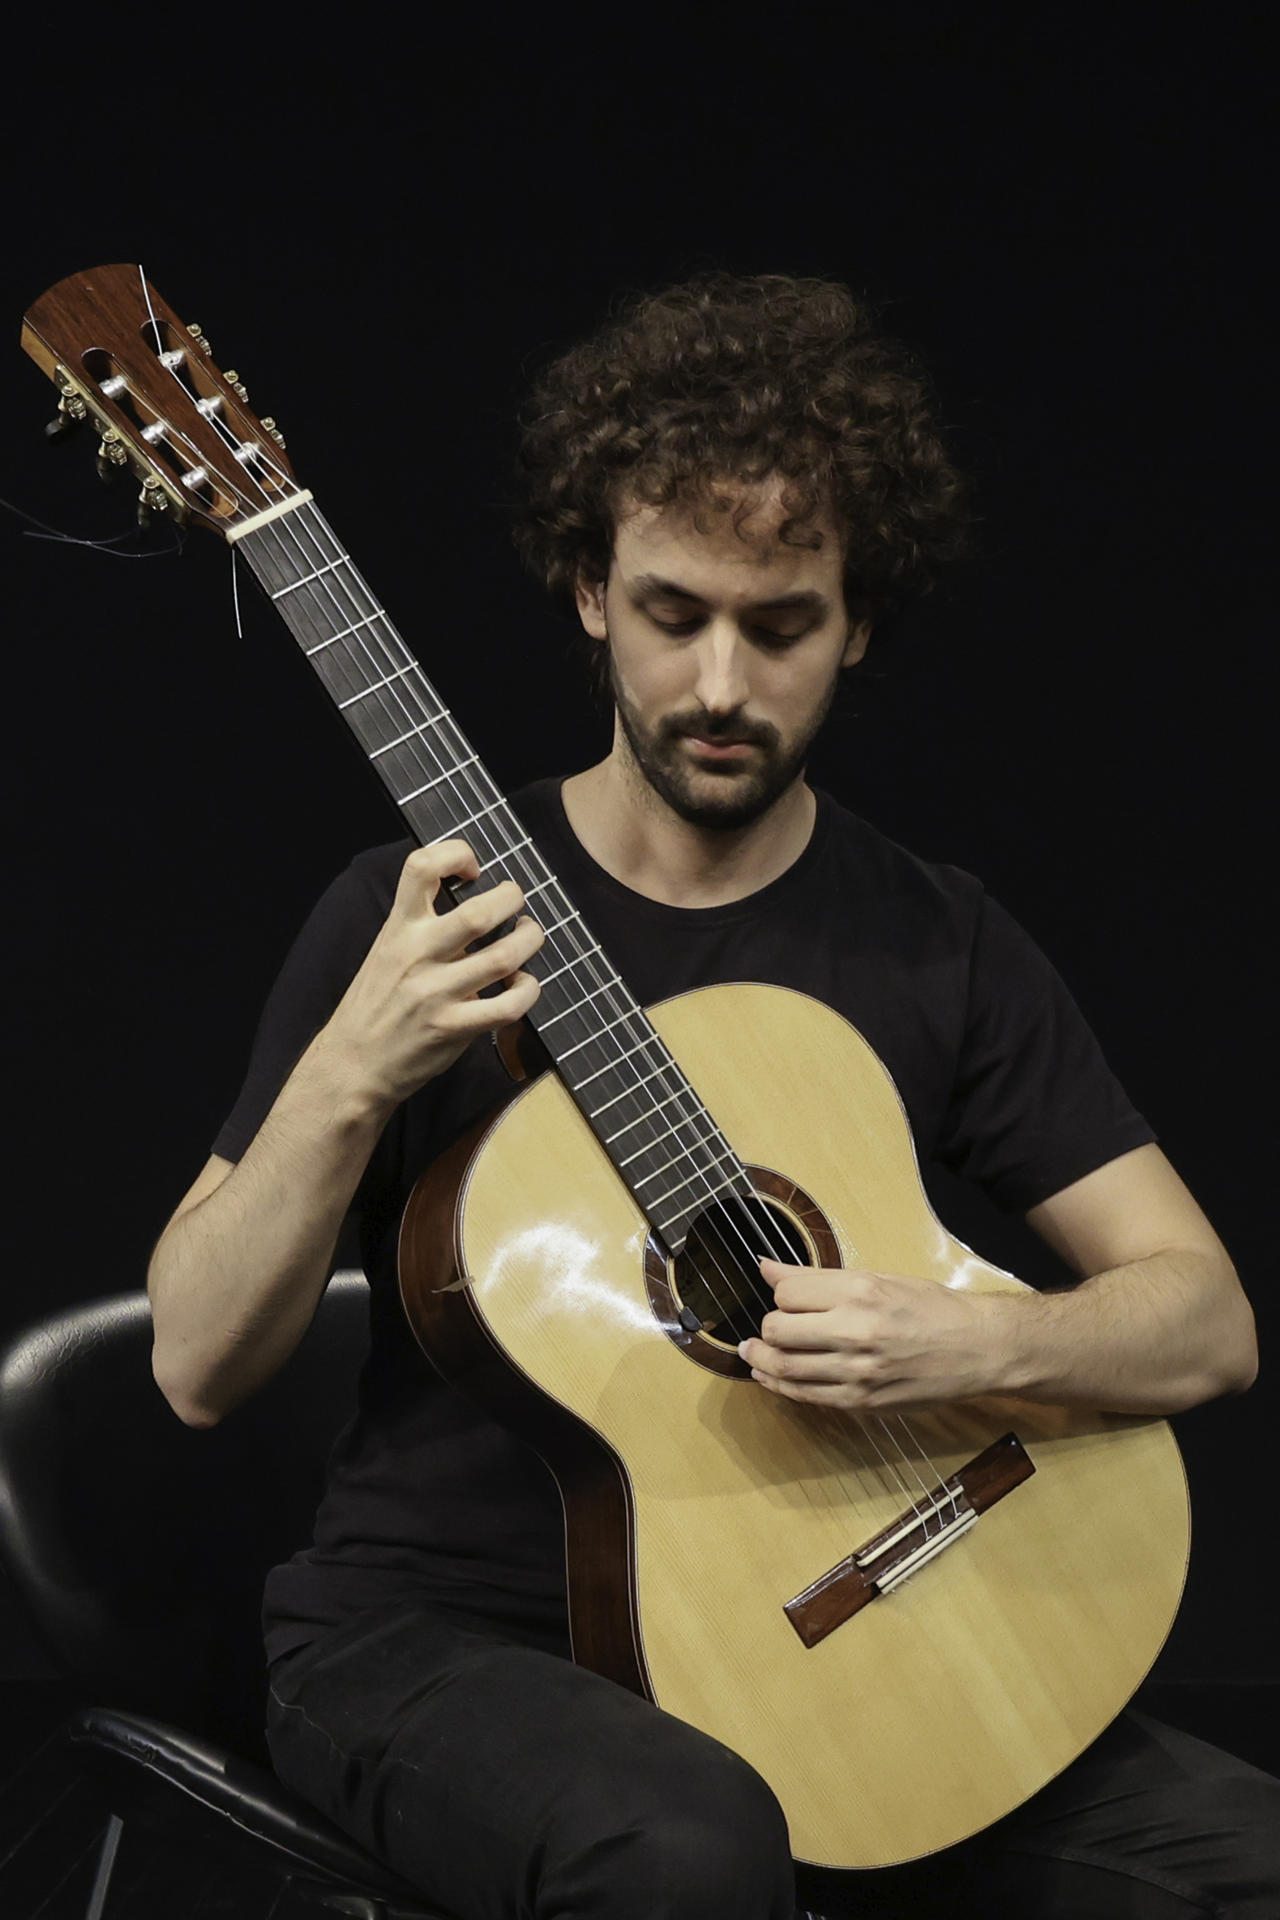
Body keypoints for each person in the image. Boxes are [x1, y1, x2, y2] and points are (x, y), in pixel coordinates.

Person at [147, 273, 1274, 1917]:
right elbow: (191, 1363)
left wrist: (970, 1342)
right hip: (444, 1640)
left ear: (859, 618)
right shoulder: (416, 920)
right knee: (689, 1851)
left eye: (783, 621)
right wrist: (354, 1071)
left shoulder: (936, 939)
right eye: (675, 612)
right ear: (591, 591)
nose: (723, 682)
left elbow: (1207, 1325)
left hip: (840, 1619)